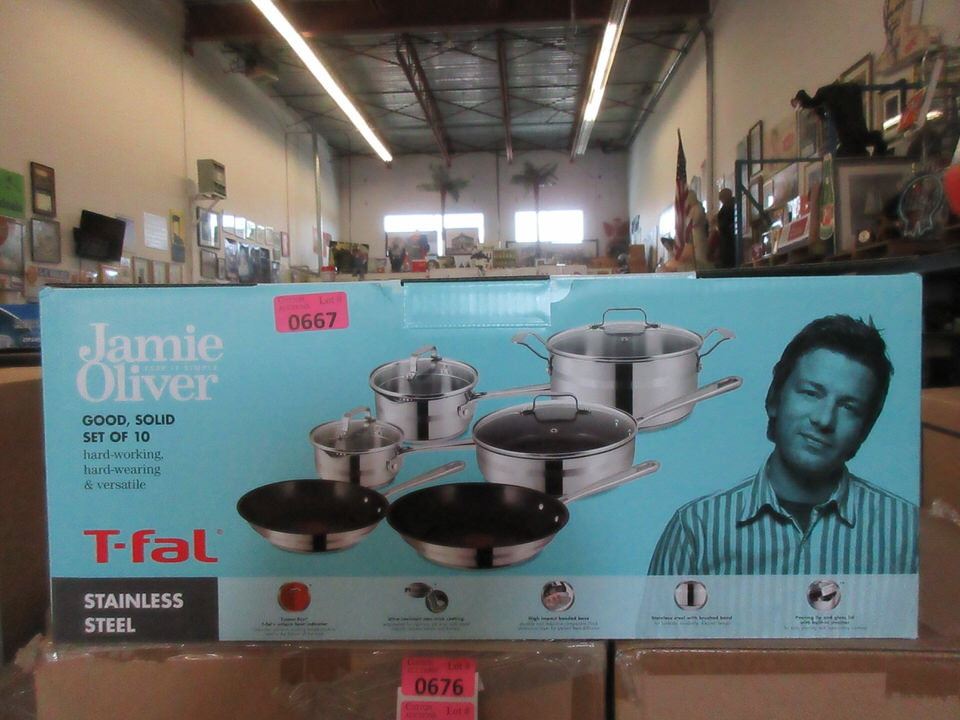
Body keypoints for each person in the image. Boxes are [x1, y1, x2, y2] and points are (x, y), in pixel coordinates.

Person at [648, 315, 918, 576]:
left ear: (866, 428)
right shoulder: (697, 529)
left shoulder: (906, 529)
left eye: (848, 407)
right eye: (811, 393)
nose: (824, 420)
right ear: (775, 398)